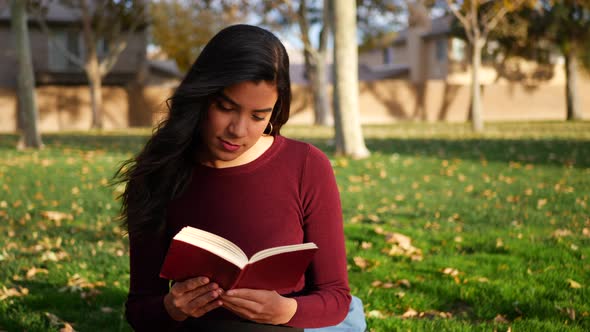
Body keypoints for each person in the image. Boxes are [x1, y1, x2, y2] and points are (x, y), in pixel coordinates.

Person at [117, 24, 359, 331]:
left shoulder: (307, 166)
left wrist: (286, 310)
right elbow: (139, 310)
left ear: (275, 111)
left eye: (259, 116)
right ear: (202, 97)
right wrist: (172, 308)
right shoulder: (158, 172)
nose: (239, 130)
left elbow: (336, 298)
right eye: (226, 107)